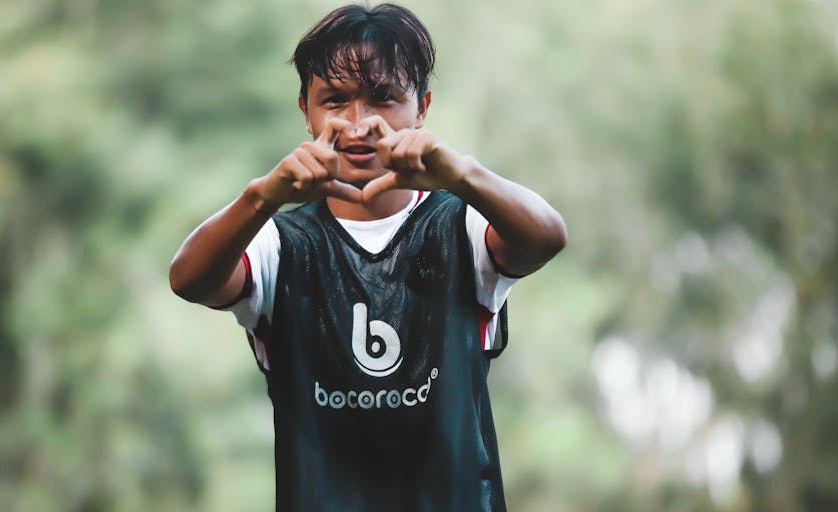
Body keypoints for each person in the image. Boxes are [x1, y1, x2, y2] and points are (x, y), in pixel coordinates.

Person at [170, 3, 566, 510]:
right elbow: (188, 279)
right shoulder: (279, 241)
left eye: (383, 99)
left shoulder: (462, 224)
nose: (359, 125)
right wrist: (262, 195)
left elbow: (548, 237)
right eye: (335, 100)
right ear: (305, 111)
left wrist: (463, 175)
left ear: (421, 108)